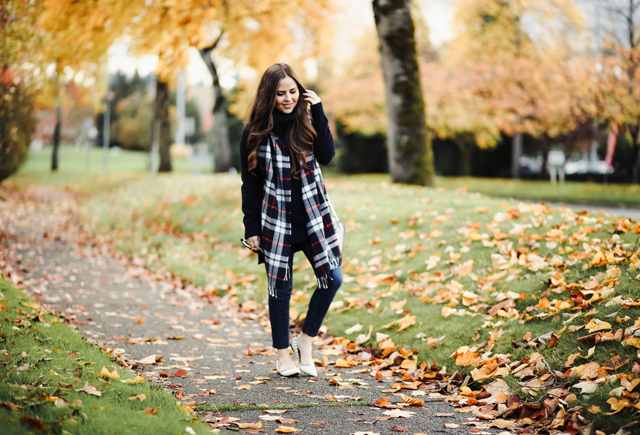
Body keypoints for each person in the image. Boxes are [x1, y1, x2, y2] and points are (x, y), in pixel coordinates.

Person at [239, 63, 343, 377]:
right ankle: (282, 354)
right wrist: (251, 227)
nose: (287, 99)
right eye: (280, 93)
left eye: (293, 92)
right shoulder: (254, 133)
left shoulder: (308, 121)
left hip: (314, 217)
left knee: (333, 278)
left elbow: (327, 156)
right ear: (268, 96)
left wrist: (319, 110)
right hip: (276, 220)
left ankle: (306, 340)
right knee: (280, 289)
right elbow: (250, 182)